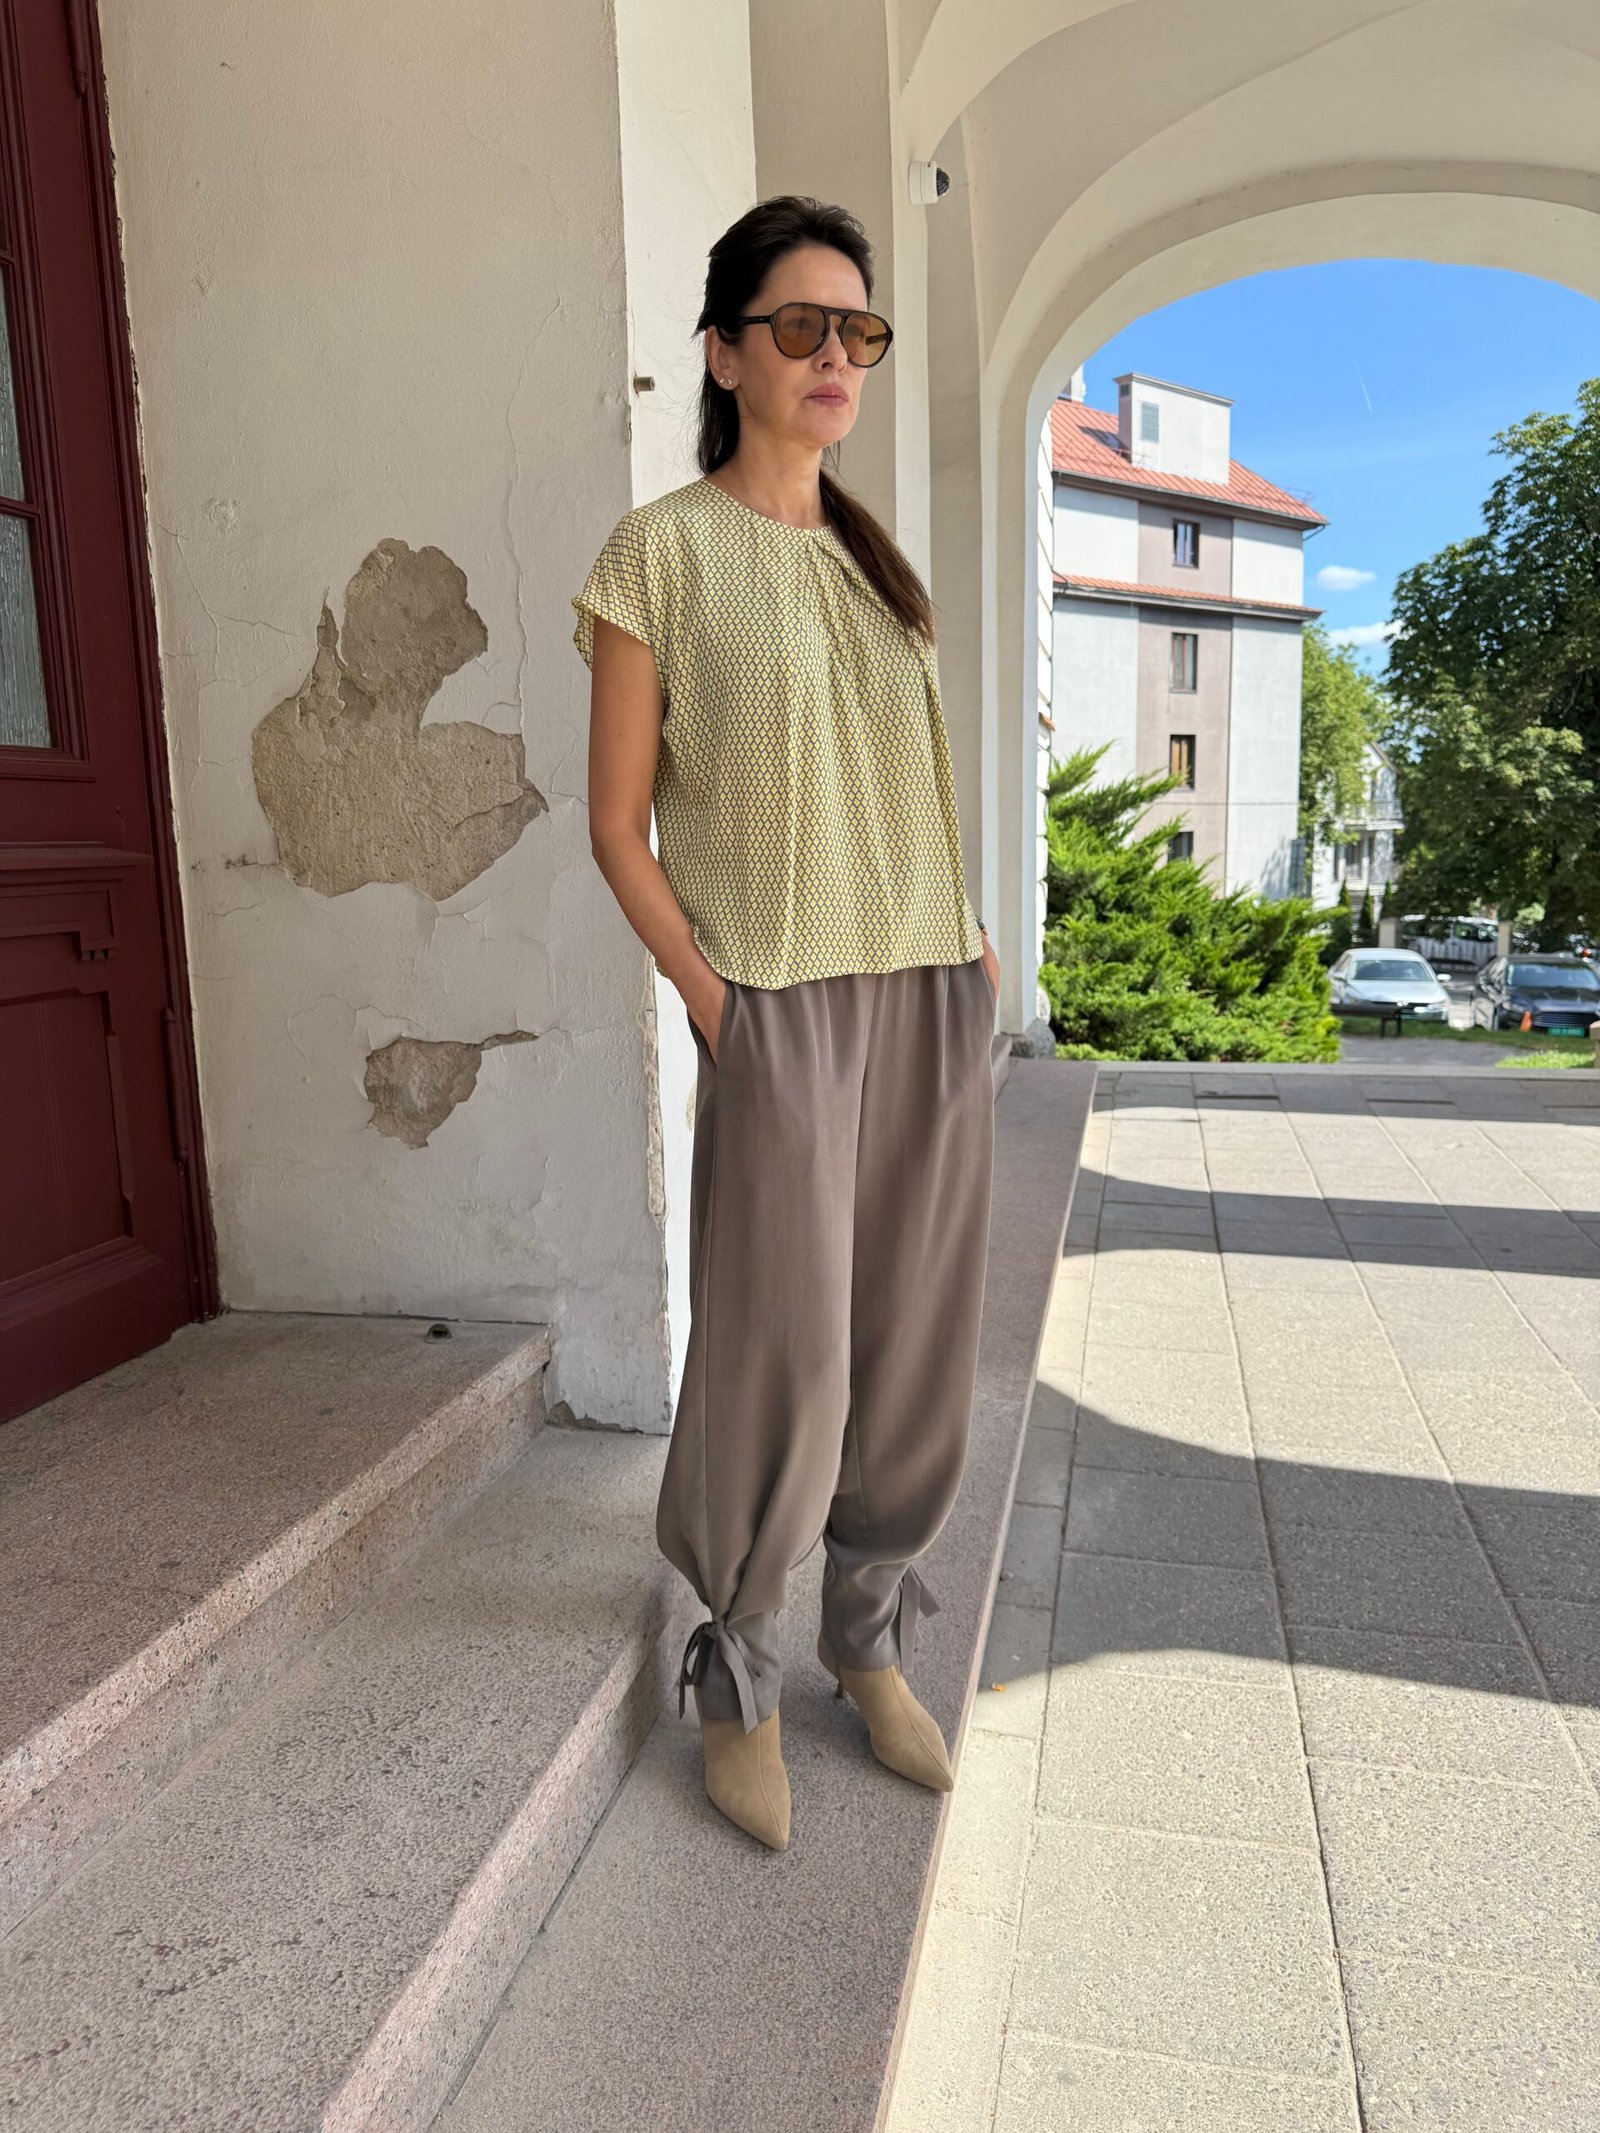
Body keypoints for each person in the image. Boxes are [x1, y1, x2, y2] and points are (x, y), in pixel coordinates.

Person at [572, 195, 998, 1852]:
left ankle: (865, 1634)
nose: (836, 357)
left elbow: (905, 792)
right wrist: (712, 998)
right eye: (801, 326)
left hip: (924, 989)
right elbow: (618, 824)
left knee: (910, 1338)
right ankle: (739, 1667)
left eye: (858, 331)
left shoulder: (878, 570)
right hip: (778, 999)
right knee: (786, 1345)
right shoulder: (660, 555)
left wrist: (970, 947)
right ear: (723, 352)